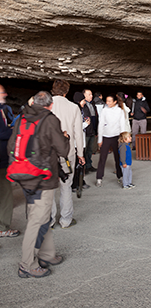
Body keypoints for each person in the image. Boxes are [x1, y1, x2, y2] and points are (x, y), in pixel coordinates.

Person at [7, 91, 70, 278]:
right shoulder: (50, 120)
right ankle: (27, 264)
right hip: (42, 178)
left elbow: (11, 146)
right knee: (37, 220)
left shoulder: (21, 118)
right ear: (50, 105)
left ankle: (47, 254)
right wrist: (65, 136)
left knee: (41, 217)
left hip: (24, 175)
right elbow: (63, 149)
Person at [50, 80, 84, 228]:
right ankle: (65, 220)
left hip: (48, 153)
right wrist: (80, 153)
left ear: (53, 90)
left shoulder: (45, 105)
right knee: (66, 185)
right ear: (66, 92)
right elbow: (78, 133)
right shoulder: (73, 107)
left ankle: (49, 220)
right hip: (67, 152)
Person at [0, 84, 19, 238]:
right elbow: (1, 132)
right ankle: (3, 227)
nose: (5, 94)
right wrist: (13, 131)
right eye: (2, 92)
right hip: (0, 158)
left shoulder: (3, 109)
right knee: (6, 194)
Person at [96, 95, 127, 187]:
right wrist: (100, 139)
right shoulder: (104, 111)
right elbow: (101, 124)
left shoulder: (120, 111)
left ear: (115, 102)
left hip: (116, 136)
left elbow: (122, 125)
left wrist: (122, 139)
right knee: (102, 158)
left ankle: (120, 176)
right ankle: (99, 178)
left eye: (110, 101)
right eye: (107, 101)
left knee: (118, 157)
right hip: (106, 136)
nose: (107, 103)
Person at [82, 89, 98, 174]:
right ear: (84, 96)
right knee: (85, 150)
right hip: (86, 131)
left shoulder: (92, 104)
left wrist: (96, 130)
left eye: (91, 94)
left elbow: (95, 118)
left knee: (90, 150)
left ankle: (89, 165)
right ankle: (84, 167)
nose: (91, 96)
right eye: (89, 94)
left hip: (92, 130)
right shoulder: (82, 106)